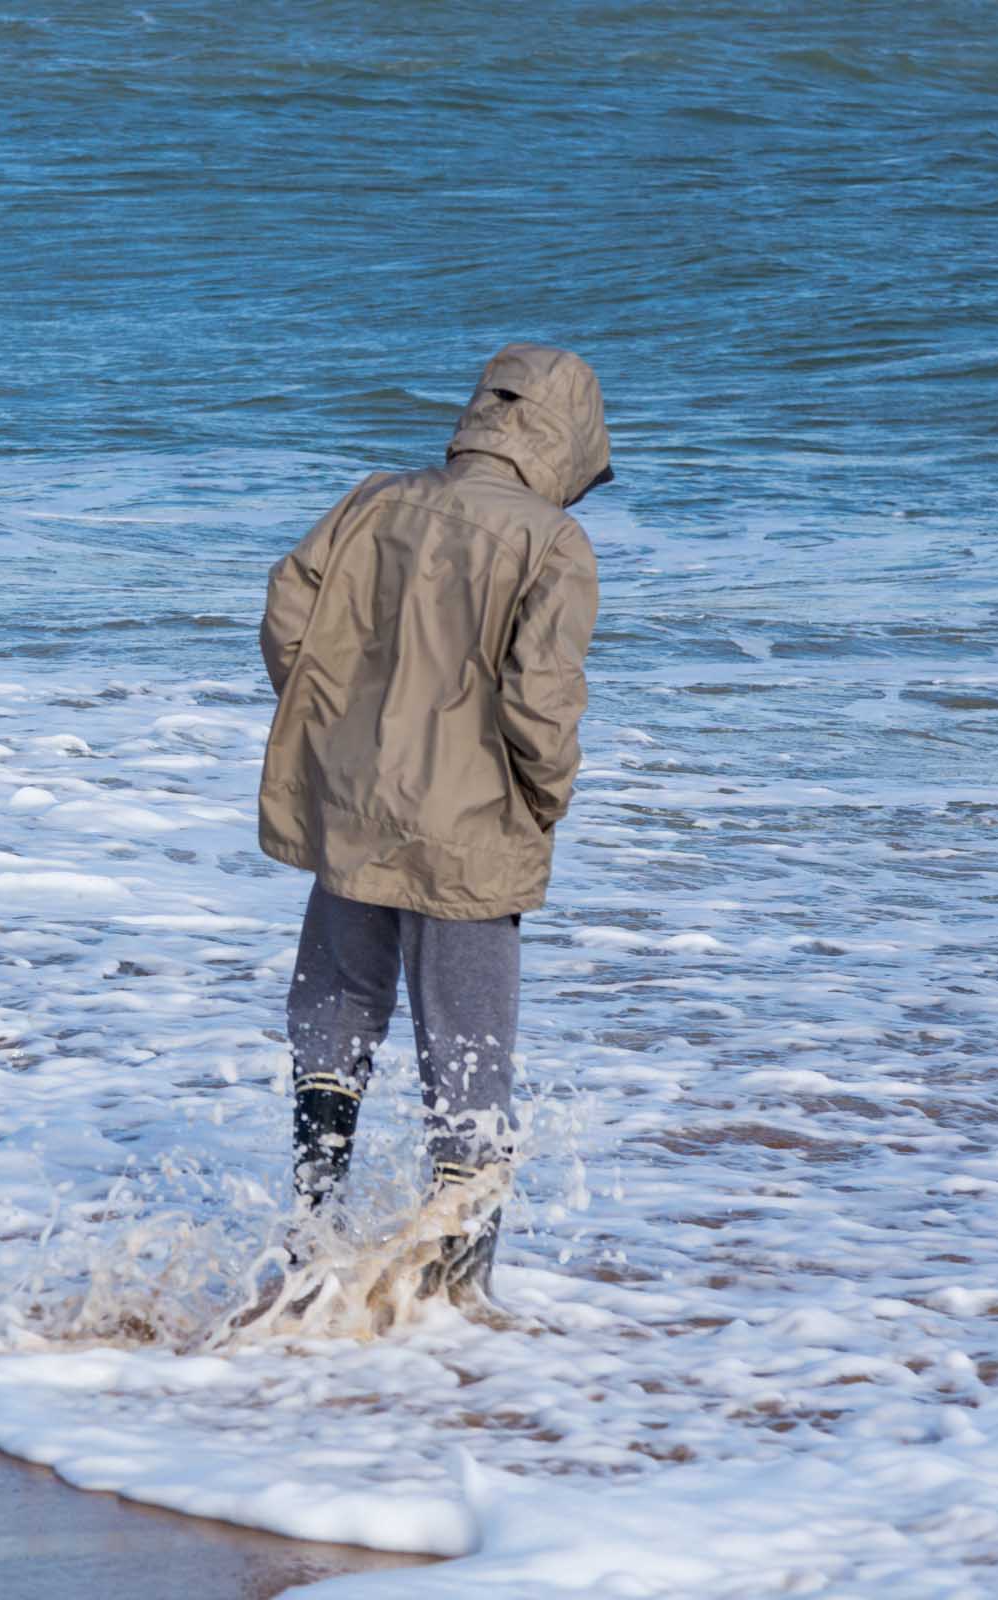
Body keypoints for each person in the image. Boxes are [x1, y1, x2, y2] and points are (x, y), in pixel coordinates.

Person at [256, 342, 611, 1309]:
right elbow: (542, 700)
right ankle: (458, 1302)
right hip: (469, 831)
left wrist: (338, 741)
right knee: (468, 1066)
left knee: (332, 1028)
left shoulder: (375, 499)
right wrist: (542, 802)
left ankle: (310, 1243)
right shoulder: (551, 541)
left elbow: (289, 616)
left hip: (354, 817)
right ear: (568, 438)